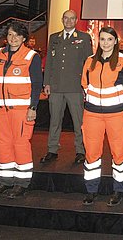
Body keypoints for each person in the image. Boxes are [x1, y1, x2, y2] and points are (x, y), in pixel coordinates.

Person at [0, 22, 43, 199]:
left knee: (20, 144)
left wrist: (33, 107)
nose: (13, 38)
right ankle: (5, 180)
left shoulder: (31, 56)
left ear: (23, 38)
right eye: (10, 35)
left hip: (21, 109)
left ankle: (22, 183)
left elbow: (37, 85)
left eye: (17, 35)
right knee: (3, 143)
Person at [81, 27, 123, 207]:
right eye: (102, 39)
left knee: (119, 153)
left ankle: (118, 190)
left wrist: (122, 99)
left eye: (109, 39)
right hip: (92, 115)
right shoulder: (90, 61)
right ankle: (91, 190)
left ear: (115, 41)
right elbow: (84, 83)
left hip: (117, 115)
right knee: (91, 153)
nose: (105, 43)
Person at [41, 10, 93, 165]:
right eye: (66, 18)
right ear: (62, 19)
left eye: (72, 18)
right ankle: (52, 149)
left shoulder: (84, 38)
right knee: (55, 120)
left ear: (76, 20)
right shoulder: (54, 38)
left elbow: (88, 63)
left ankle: (81, 151)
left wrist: (87, 85)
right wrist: (47, 83)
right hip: (56, 86)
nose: (69, 21)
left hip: (75, 87)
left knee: (79, 122)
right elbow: (49, 62)